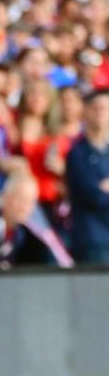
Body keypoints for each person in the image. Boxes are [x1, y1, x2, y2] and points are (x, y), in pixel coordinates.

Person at [66, 89, 109, 264]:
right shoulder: (77, 153)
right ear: (86, 111)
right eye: (95, 108)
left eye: (105, 108)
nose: (100, 113)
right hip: (92, 240)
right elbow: (93, 197)